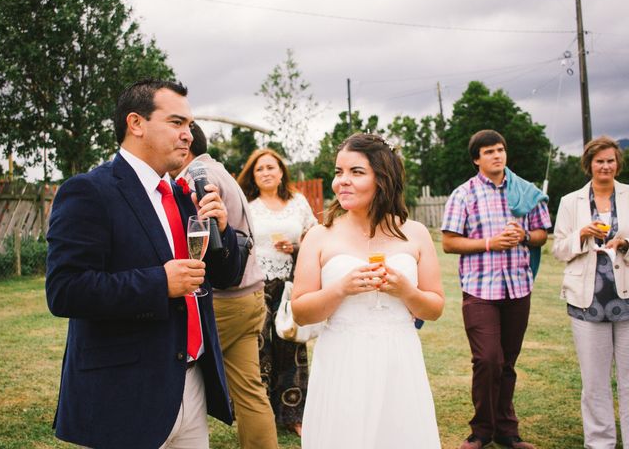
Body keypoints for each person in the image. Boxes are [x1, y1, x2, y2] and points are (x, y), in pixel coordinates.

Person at [45, 79, 243, 449]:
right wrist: (159, 283)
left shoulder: (186, 194)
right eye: (176, 123)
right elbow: (65, 291)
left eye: (190, 125)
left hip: (191, 385)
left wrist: (222, 230)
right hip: (125, 393)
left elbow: (227, 277)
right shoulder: (89, 191)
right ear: (136, 124)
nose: (188, 135)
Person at [291, 132, 444, 449]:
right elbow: (301, 313)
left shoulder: (414, 234)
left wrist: (406, 291)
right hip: (342, 358)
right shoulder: (319, 236)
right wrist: (341, 289)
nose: (342, 182)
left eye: (355, 172)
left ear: (382, 178)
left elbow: (434, 308)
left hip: (398, 358)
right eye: (338, 172)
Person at [441, 129, 551, 449]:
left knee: (507, 363)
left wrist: (525, 237)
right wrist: (490, 243)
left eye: (500, 149)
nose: (496, 155)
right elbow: (449, 243)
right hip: (479, 289)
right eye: (488, 151)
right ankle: (480, 431)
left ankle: (507, 431)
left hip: (518, 287)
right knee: (488, 359)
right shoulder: (464, 195)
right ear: (477, 159)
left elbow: (542, 233)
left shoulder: (525, 192)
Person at [171, 123, 278, 449]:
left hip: (224, 299)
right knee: (250, 391)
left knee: (181, 374)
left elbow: (192, 239)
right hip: (252, 294)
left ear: (186, 146)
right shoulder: (221, 170)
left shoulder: (197, 176)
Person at [552, 136, 629, 449]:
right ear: (589, 165)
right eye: (599, 161)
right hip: (588, 300)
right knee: (595, 380)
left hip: (625, 297)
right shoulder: (571, 202)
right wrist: (581, 235)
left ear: (617, 163)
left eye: (610, 160)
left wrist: (625, 244)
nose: (606, 166)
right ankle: (600, 442)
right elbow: (558, 249)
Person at [236, 148, 317, 437]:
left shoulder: (298, 203)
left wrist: (295, 248)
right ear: (253, 176)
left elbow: (315, 238)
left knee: (292, 347)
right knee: (259, 349)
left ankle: (293, 414)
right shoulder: (247, 205)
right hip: (256, 283)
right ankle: (263, 413)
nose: (266, 172)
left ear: (281, 171)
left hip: (291, 282)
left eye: (271, 167)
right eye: (260, 169)